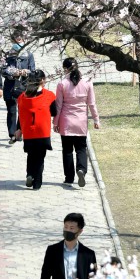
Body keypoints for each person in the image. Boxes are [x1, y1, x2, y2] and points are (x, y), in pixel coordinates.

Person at [53, 58, 100, 187]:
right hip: (81, 121)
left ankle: (69, 177)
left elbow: (58, 105)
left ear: (65, 69)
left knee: (67, 150)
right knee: (81, 148)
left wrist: (55, 122)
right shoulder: (87, 82)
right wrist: (96, 119)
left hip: (66, 120)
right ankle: (81, 169)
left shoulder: (62, 84)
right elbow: (91, 103)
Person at [15, 70, 57, 190]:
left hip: (28, 132)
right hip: (42, 131)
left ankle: (29, 174)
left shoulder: (22, 97)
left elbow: (21, 114)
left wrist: (19, 129)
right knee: (40, 158)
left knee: (31, 155)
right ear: (42, 80)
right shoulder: (48, 95)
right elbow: (54, 112)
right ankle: (37, 183)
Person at [0, 29, 35, 143]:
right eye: (15, 40)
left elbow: (33, 70)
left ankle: (20, 131)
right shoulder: (7, 55)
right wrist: (12, 73)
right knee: (12, 110)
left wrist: (25, 72)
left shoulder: (29, 55)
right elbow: (2, 70)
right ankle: (12, 133)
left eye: (20, 40)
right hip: (10, 85)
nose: (18, 42)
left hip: (23, 86)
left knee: (23, 110)